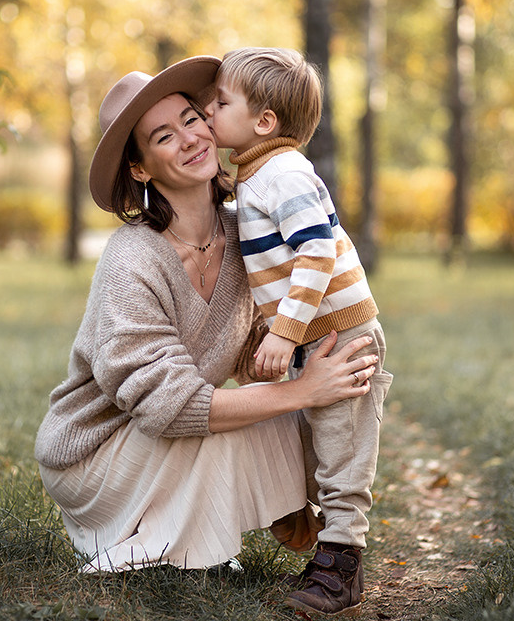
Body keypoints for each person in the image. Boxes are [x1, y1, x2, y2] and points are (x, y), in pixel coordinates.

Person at [33, 55, 380, 579]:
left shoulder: (247, 232)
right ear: (140, 167)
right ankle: (189, 524)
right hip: (100, 454)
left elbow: (247, 343)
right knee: (249, 422)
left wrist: (314, 361)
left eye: (192, 120)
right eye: (163, 137)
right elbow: (167, 407)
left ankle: (320, 534)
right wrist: (302, 390)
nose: (190, 139)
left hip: (178, 427)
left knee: (330, 414)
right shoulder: (133, 258)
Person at [205, 46, 392, 615]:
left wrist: (285, 331)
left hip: (341, 337)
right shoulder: (257, 172)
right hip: (311, 337)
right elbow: (274, 266)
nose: (207, 112)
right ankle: (297, 510)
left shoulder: (283, 173)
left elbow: (315, 251)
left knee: (342, 454)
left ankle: (342, 565)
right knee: (301, 438)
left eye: (219, 102)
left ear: (263, 122)